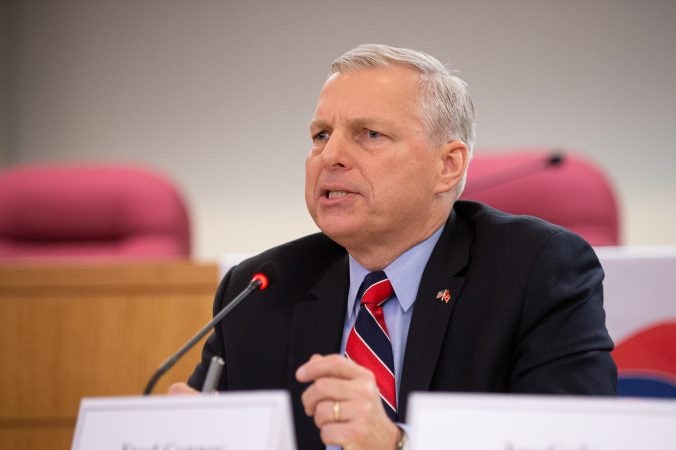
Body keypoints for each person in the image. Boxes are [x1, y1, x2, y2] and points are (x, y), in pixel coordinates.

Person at [170, 44, 617, 450]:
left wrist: (397, 445)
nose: (331, 157)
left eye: (369, 134)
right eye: (321, 135)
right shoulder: (260, 290)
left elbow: (575, 441)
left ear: (448, 165)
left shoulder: (536, 272)